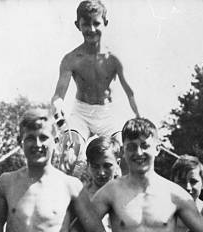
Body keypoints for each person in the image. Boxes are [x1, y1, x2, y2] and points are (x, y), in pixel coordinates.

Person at [51, 0, 140, 172]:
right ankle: (67, 197)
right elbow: (58, 96)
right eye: (86, 24)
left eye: (96, 23)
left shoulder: (114, 58)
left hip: (109, 114)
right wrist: (57, 106)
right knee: (67, 157)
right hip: (82, 114)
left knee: (126, 158)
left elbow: (130, 93)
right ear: (78, 25)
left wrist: (139, 117)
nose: (91, 29)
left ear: (105, 23)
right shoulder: (71, 59)